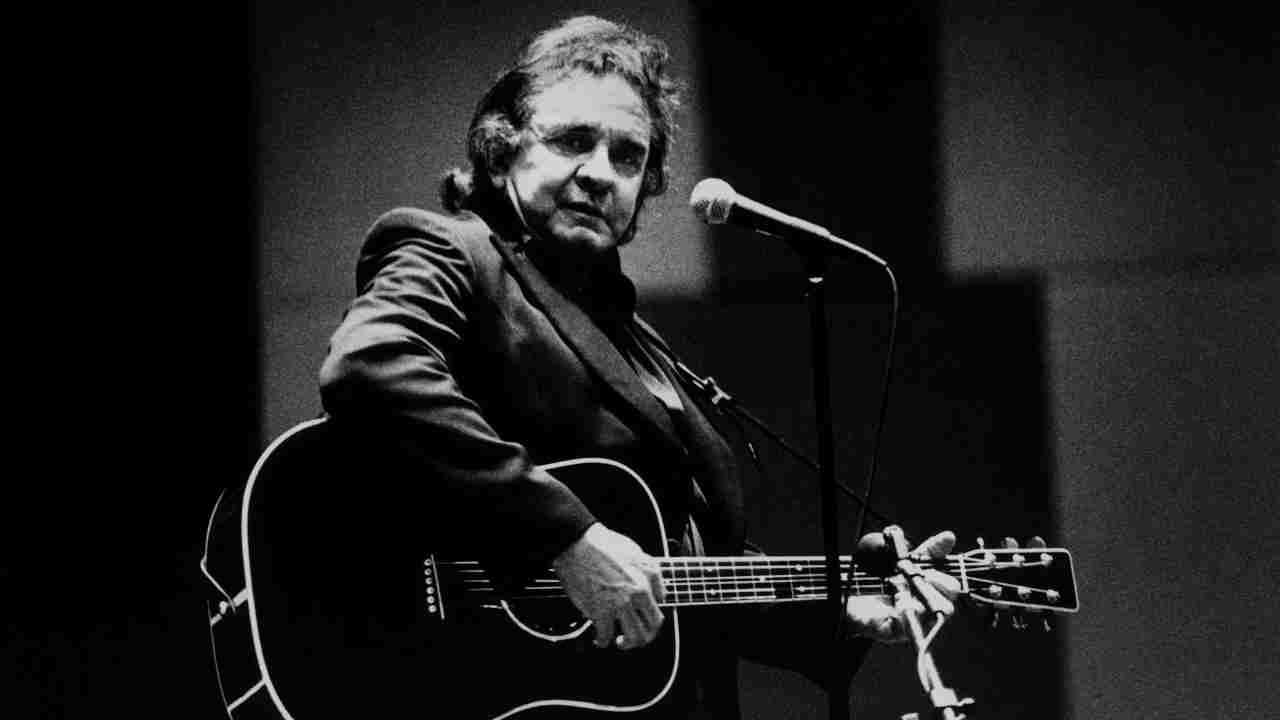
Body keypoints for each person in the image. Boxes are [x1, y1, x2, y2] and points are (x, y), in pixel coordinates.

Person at [318, 14, 958, 719]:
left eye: (627, 157)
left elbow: (683, 574)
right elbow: (372, 367)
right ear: (501, 155)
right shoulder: (453, 251)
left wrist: (843, 610)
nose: (599, 173)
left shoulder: (636, 340)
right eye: (572, 140)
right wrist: (565, 535)